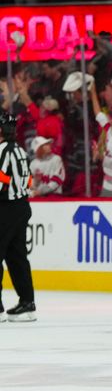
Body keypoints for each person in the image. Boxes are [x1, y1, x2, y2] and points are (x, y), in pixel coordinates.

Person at [0, 112, 36, 322]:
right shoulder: (21, 151)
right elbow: (28, 181)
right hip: (21, 206)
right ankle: (27, 303)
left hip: (5, 208)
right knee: (17, 257)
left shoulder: (1, 151)